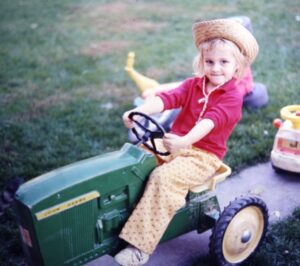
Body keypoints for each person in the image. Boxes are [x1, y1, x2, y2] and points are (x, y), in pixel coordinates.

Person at [115, 18, 259, 266]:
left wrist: (184, 141)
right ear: (201, 61)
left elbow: (211, 122)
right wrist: (141, 111)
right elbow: (168, 98)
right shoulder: (194, 85)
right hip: (175, 144)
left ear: (238, 65)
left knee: (165, 178)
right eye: (209, 61)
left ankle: (139, 248)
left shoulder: (232, 97)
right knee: (134, 161)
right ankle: (126, 218)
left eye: (224, 62)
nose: (215, 68)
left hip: (202, 156)